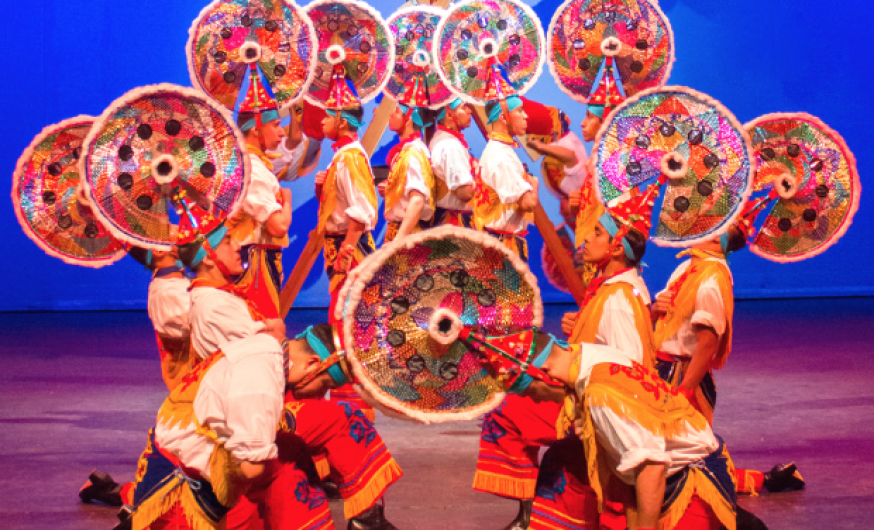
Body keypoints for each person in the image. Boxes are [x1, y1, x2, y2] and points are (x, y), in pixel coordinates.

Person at [474, 191, 654, 530]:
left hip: (600, 408)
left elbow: (627, 371)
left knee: (506, 412)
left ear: (616, 247)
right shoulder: (618, 288)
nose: (586, 238)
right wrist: (582, 327)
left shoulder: (617, 299)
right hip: (593, 395)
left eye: (598, 233)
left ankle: (528, 515)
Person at [652, 217, 804, 495]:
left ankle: (760, 481)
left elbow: (709, 343)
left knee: (683, 459)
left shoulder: (712, 278)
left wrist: (685, 391)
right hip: (663, 369)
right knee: (666, 452)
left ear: (714, 241)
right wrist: (654, 309)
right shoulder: (688, 267)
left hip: (682, 375)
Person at [534, 339, 738, 530]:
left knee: (568, 457)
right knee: (568, 452)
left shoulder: (600, 393)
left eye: (532, 394)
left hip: (686, 479)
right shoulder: (588, 355)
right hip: (667, 459)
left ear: (545, 372)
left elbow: (652, 467)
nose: (534, 399)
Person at [79, 244, 194, 512]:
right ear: (159, 253)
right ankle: (124, 494)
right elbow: (197, 328)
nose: (180, 234)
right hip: (189, 385)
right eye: (171, 236)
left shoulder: (176, 285)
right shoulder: (168, 291)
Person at [314, 63, 379, 420]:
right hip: (339, 245)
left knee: (347, 317)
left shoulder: (351, 156)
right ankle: (348, 395)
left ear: (341, 119)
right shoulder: (341, 155)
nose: (321, 121)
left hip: (347, 247)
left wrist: (349, 248)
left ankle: (353, 400)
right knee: (342, 315)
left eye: (327, 115)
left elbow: (363, 208)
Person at [226, 69, 293, 320]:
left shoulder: (253, 164)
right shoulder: (252, 168)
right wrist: (287, 201)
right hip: (255, 265)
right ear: (256, 130)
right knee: (263, 330)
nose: (282, 132)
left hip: (259, 259)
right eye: (276, 125)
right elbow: (278, 226)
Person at [474, 66, 538, 261]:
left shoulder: (502, 150)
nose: (526, 116)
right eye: (520, 111)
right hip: (502, 249)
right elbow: (528, 203)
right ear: (504, 118)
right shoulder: (500, 157)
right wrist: (534, 185)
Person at [381, 68, 435, 242]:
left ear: (409, 120)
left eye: (397, 111)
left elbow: (417, 200)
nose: (390, 114)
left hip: (406, 237)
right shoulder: (407, 151)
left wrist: (399, 241)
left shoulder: (412, 153)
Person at [429, 98, 476, 227]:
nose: (469, 111)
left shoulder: (442, 140)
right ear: (449, 114)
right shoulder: (450, 146)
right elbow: (465, 193)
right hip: (455, 225)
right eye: (463, 107)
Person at [270, 100, 325, 183]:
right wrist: (292, 106)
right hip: (308, 133)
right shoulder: (271, 161)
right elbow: (295, 139)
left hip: (304, 133)